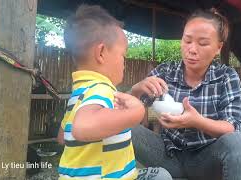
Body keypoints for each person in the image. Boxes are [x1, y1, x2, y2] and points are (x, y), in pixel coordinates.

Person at [131, 9, 241, 180]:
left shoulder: (226, 76)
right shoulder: (165, 72)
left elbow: (234, 127)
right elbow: (133, 114)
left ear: (218, 48)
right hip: (166, 155)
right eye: (187, 40)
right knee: (120, 125)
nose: (192, 49)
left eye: (203, 43)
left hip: (207, 160)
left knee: (240, 143)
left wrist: (197, 121)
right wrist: (137, 89)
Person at [57, 5, 172, 180]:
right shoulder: (101, 88)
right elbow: (82, 128)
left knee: (160, 175)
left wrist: (133, 94)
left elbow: (63, 137)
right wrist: (137, 111)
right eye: (123, 56)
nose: (124, 63)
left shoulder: (79, 93)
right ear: (101, 53)